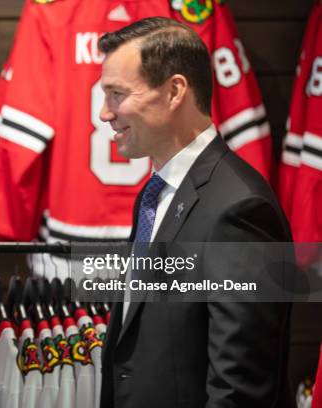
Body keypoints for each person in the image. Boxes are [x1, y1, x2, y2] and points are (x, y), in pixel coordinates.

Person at [97, 17, 293, 407]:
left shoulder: (241, 209)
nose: (105, 113)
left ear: (174, 92)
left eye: (117, 94)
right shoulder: (155, 194)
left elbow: (239, 388)